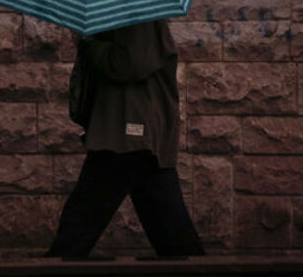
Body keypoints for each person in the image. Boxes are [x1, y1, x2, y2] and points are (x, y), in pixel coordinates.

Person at [43, 18, 206, 259]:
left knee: (84, 212)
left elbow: (130, 63)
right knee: (168, 223)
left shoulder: (139, 15)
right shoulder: (133, 14)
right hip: (131, 129)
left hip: (128, 128)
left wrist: (89, 43)